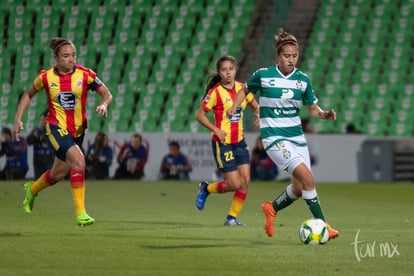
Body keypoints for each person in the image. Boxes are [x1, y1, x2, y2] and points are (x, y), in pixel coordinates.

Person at [227, 29, 339, 239]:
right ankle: (324, 225)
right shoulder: (263, 75)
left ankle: (272, 208)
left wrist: (324, 114)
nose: (291, 60)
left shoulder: (302, 80)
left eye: (294, 56)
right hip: (274, 138)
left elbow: (312, 109)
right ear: (278, 56)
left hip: (297, 138)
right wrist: (235, 106)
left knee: (299, 187)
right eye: (287, 56)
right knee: (308, 180)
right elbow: (244, 90)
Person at [14, 37, 113, 226]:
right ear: (57, 58)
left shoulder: (86, 75)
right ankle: (81, 213)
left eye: (73, 55)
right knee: (79, 160)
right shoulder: (46, 77)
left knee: (57, 174)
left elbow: (107, 93)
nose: (71, 59)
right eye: (66, 56)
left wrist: (104, 104)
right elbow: (28, 94)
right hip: (55, 127)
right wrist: (18, 118)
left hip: (77, 131)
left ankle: (32, 190)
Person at [195, 55, 259, 226]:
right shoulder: (215, 92)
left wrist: (258, 114)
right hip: (222, 143)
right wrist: (216, 129)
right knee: (234, 183)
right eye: (224, 70)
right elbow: (199, 114)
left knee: (245, 181)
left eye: (230, 69)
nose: (228, 73)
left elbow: (255, 105)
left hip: (240, 141)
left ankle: (231, 217)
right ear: (219, 72)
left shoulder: (242, 88)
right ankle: (207, 188)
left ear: (235, 70)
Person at [26, 109, 55, 179]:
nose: (43, 122)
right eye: (41, 120)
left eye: (44, 120)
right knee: (38, 180)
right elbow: (29, 141)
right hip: (38, 161)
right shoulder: (36, 131)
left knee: (49, 179)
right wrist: (34, 136)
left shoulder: (52, 131)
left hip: (49, 159)